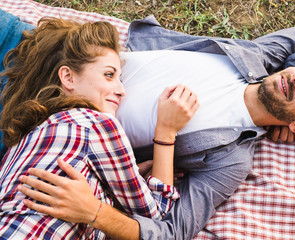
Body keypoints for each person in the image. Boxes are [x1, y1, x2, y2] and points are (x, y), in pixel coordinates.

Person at [17, 15, 295, 240]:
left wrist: (95, 212)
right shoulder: (257, 58)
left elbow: (173, 231)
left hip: (36, 114)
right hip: (49, 50)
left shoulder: (231, 160)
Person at [0, 16, 199, 239]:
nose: (122, 90)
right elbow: (157, 218)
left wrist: (114, 190)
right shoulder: (95, 123)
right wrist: (166, 131)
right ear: (68, 77)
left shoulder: (22, 141)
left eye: (120, 79)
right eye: (109, 75)